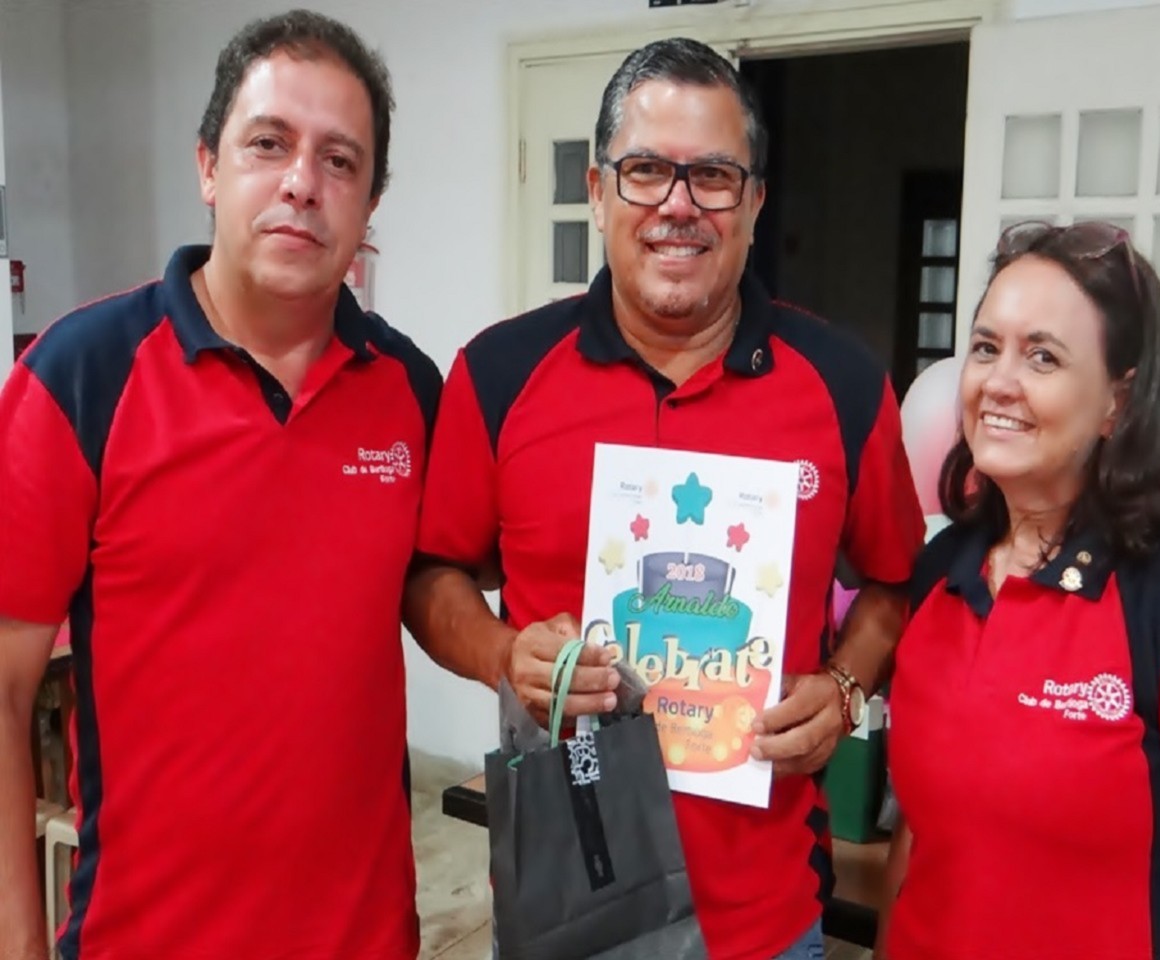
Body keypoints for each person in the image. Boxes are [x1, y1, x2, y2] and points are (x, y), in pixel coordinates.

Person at [404, 37, 924, 960]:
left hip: (766, 920)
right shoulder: (500, 374)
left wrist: (846, 690)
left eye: (713, 176)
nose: (678, 205)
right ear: (599, 191)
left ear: (754, 203)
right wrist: (501, 654)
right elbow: (431, 574)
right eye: (646, 171)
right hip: (564, 909)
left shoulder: (842, 384)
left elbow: (896, 582)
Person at [0, 11, 440, 959]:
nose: (301, 183)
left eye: (339, 160)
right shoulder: (81, 377)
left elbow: (444, 586)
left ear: (370, 203)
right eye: (268, 144)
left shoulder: (411, 390)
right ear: (208, 166)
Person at [878, 221, 1160, 960]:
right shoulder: (942, 572)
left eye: (1043, 356)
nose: (999, 382)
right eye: (986, 348)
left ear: (1117, 402)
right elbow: (923, 838)